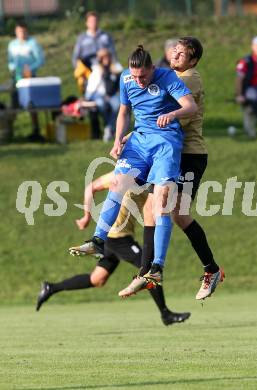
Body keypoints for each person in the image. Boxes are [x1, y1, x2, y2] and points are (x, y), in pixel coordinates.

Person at [69, 46, 197, 290]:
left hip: (165, 144)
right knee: (117, 183)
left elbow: (190, 106)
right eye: (135, 76)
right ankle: (98, 240)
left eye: (143, 76)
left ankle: (157, 267)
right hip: (138, 142)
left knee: (161, 200)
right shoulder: (126, 79)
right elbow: (123, 111)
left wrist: (173, 114)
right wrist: (117, 139)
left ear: (152, 68)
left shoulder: (167, 77)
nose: (139, 81)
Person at [118, 37, 224, 301]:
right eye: (175, 50)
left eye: (183, 53)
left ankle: (212, 271)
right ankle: (146, 273)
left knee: (177, 213)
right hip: (168, 152)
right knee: (152, 208)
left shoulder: (189, 78)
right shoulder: (167, 77)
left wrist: (134, 133)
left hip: (189, 154)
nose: (176, 54)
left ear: (193, 60)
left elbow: (162, 112)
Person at [36, 172, 190, 326]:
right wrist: (86, 216)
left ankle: (51, 288)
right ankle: (165, 314)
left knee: (97, 279)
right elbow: (91, 187)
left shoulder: (153, 174)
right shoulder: (124, 173)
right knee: (149, 269)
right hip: (117, 237)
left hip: (118, 237)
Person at [72, 11, 119, 139]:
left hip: (107, 71)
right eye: (91, 21)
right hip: (89, 74)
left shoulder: (105, 36)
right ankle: (99, 131)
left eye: (95, 20)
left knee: (114, 101)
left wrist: (114, 68)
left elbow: (113, 54)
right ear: (86, 23)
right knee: (95, 103)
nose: (93, 23)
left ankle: (109, 128)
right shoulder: (82, 38)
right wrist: (80, 74)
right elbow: (75, 58)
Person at [7, 21, 45, 141]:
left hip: (30, 78)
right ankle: (8, 131)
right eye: (19, 31)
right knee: (14, 104)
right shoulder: (12, 45)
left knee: (32, 105)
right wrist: (14, 69)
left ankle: (35, 130)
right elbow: (10, 61)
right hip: (16, 78)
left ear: (27, 31)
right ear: (16, 32)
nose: (21, 34)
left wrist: (30, 68)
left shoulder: (33, 43)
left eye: (23, 31)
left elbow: (40, 60)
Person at [85, 48, 123, 142]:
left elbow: (120, 84)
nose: (106, 59)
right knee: (101, 104)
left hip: (113, 94)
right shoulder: (97, 69)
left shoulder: (116, 68)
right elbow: (92, 87)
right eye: (103, 57)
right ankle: (110, 128)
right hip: (98, 94)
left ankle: (108, 128)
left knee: (117, 105)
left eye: (107, 57)